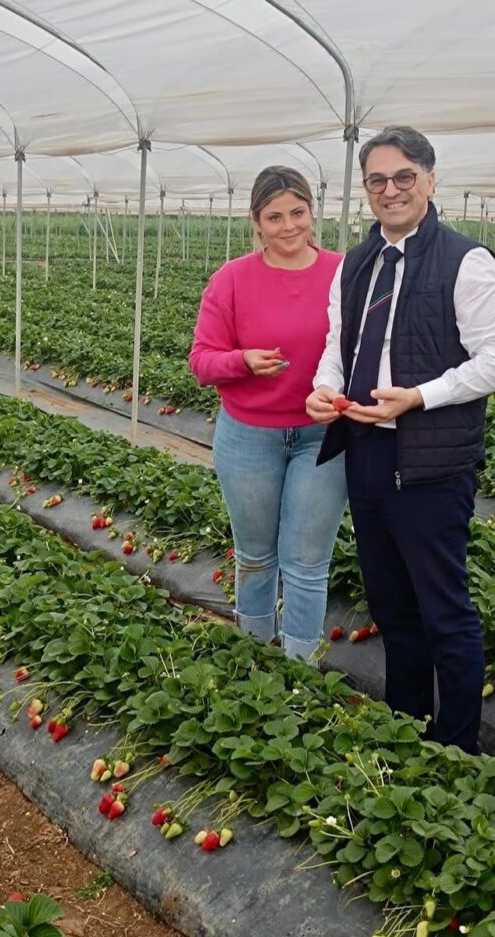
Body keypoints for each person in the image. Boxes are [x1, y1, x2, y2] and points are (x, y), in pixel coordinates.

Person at [306, 126, 495, 752]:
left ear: (429, 180)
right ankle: (406, 732)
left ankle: (456, 749)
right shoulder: (356, 262)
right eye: (377, 180)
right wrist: (325, 391)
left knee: (443, 611)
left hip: (429, 463)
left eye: (403, 177)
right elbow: (336, 347)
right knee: (393, 608)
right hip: (366, 453)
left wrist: (421, 396)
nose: (390, 190)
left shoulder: (465, 259)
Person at [189, 166, 345, 661]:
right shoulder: (232, 279)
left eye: (297, 212)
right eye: (274, 216)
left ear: (311, 212)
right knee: (256, 555)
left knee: (306, 559)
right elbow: (201, 360)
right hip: (249, 436)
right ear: (257, 222)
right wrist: (243, 361)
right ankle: (253, 653)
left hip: (321, 436)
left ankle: (300, 669)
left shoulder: (344, 272)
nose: (288, 226)